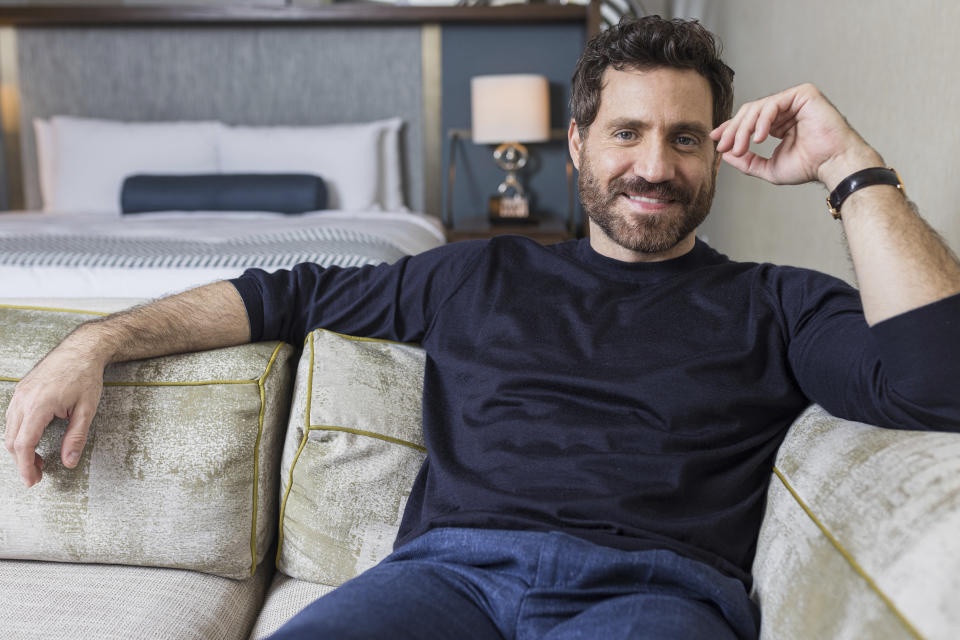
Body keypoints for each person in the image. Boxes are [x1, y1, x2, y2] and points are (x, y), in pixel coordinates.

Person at [6, 16, 960, 639]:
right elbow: (284, 294)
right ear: (579, 143)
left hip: (653, 597)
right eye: (627, 133)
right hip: (447, 584)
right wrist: (96, 340)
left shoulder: (778, 301)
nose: (655, 167)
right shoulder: (474, 271)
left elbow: (936, 383)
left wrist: (853, 168)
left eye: (683, 138)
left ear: (717, 155)